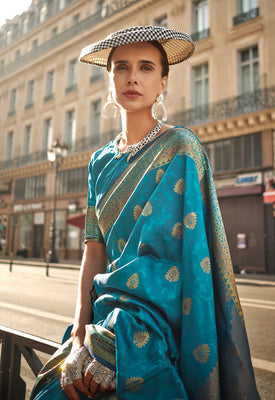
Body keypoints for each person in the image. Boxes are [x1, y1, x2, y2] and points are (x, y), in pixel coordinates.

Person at [31, 26, 260, 400]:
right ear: (109, 81)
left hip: (156, 328)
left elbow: (184, 261)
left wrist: (120, 347)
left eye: (146, 67)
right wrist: (77, 338)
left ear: (162, 83)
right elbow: (94, 251)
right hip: (102, 319)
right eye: (121, 67)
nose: (133, 77)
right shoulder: (98, 162)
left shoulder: (181, 148)